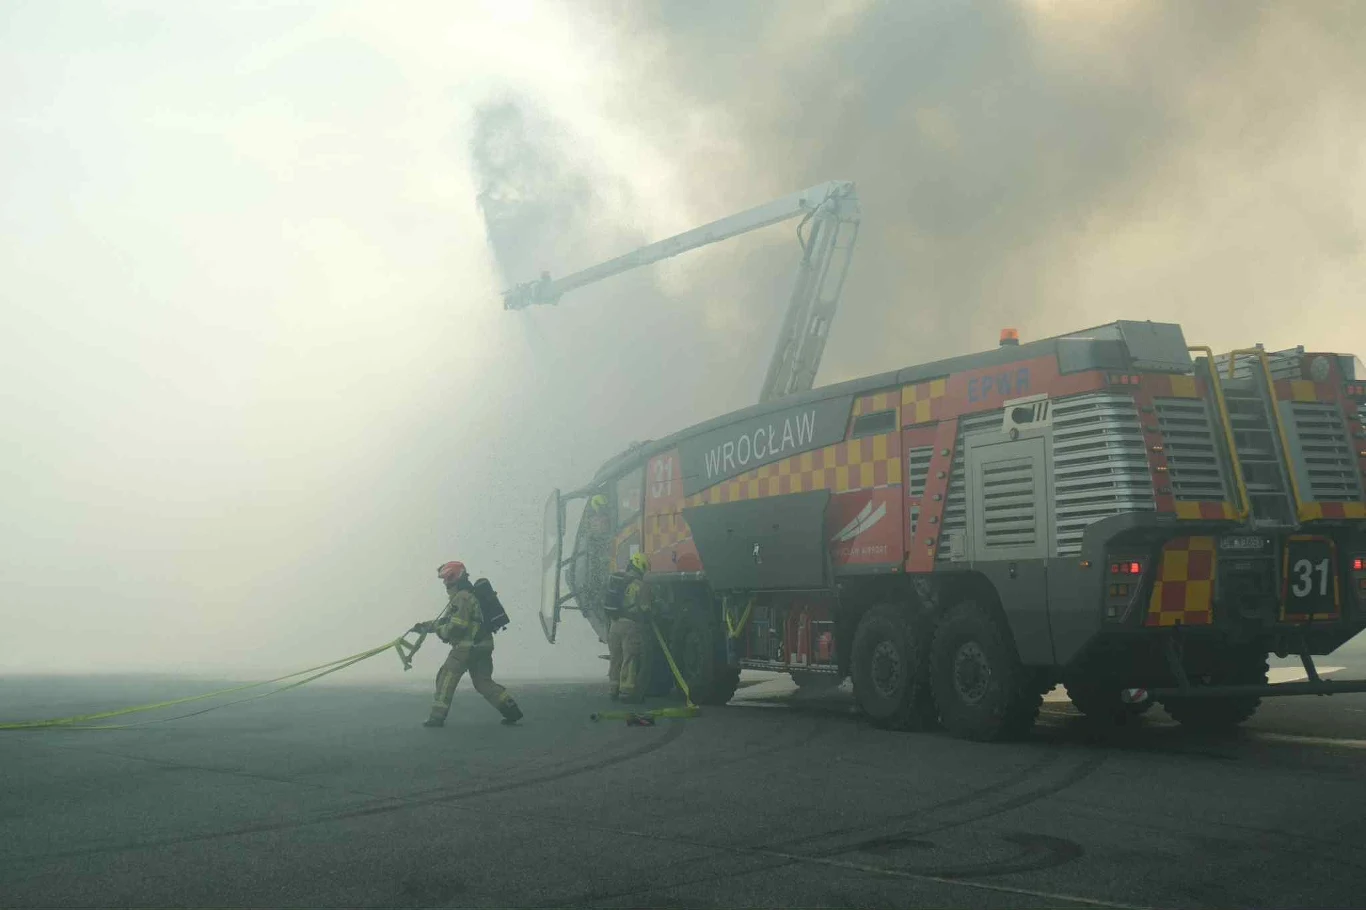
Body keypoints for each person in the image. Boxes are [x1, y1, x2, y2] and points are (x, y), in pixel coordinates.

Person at [413, 561, 523, 728]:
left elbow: (456, 626)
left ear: (454, 577)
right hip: (483, 645)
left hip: (466, 648)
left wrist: (441, 632)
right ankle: (511, 710)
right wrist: (425, 626)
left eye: (447, 578)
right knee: (483, 682)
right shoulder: (470, 595)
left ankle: (436, 718)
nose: (445, 583)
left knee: (446, 677)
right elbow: (447, 620)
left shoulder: (462, 597)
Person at [608, 551, 652, 703]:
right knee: (630, 658)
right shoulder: (641, 585)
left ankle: (613, 689)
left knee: (616, 658)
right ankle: (626, 692)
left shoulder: (617, 579)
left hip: (614, 625)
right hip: (630, 626)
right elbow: (646, 608)